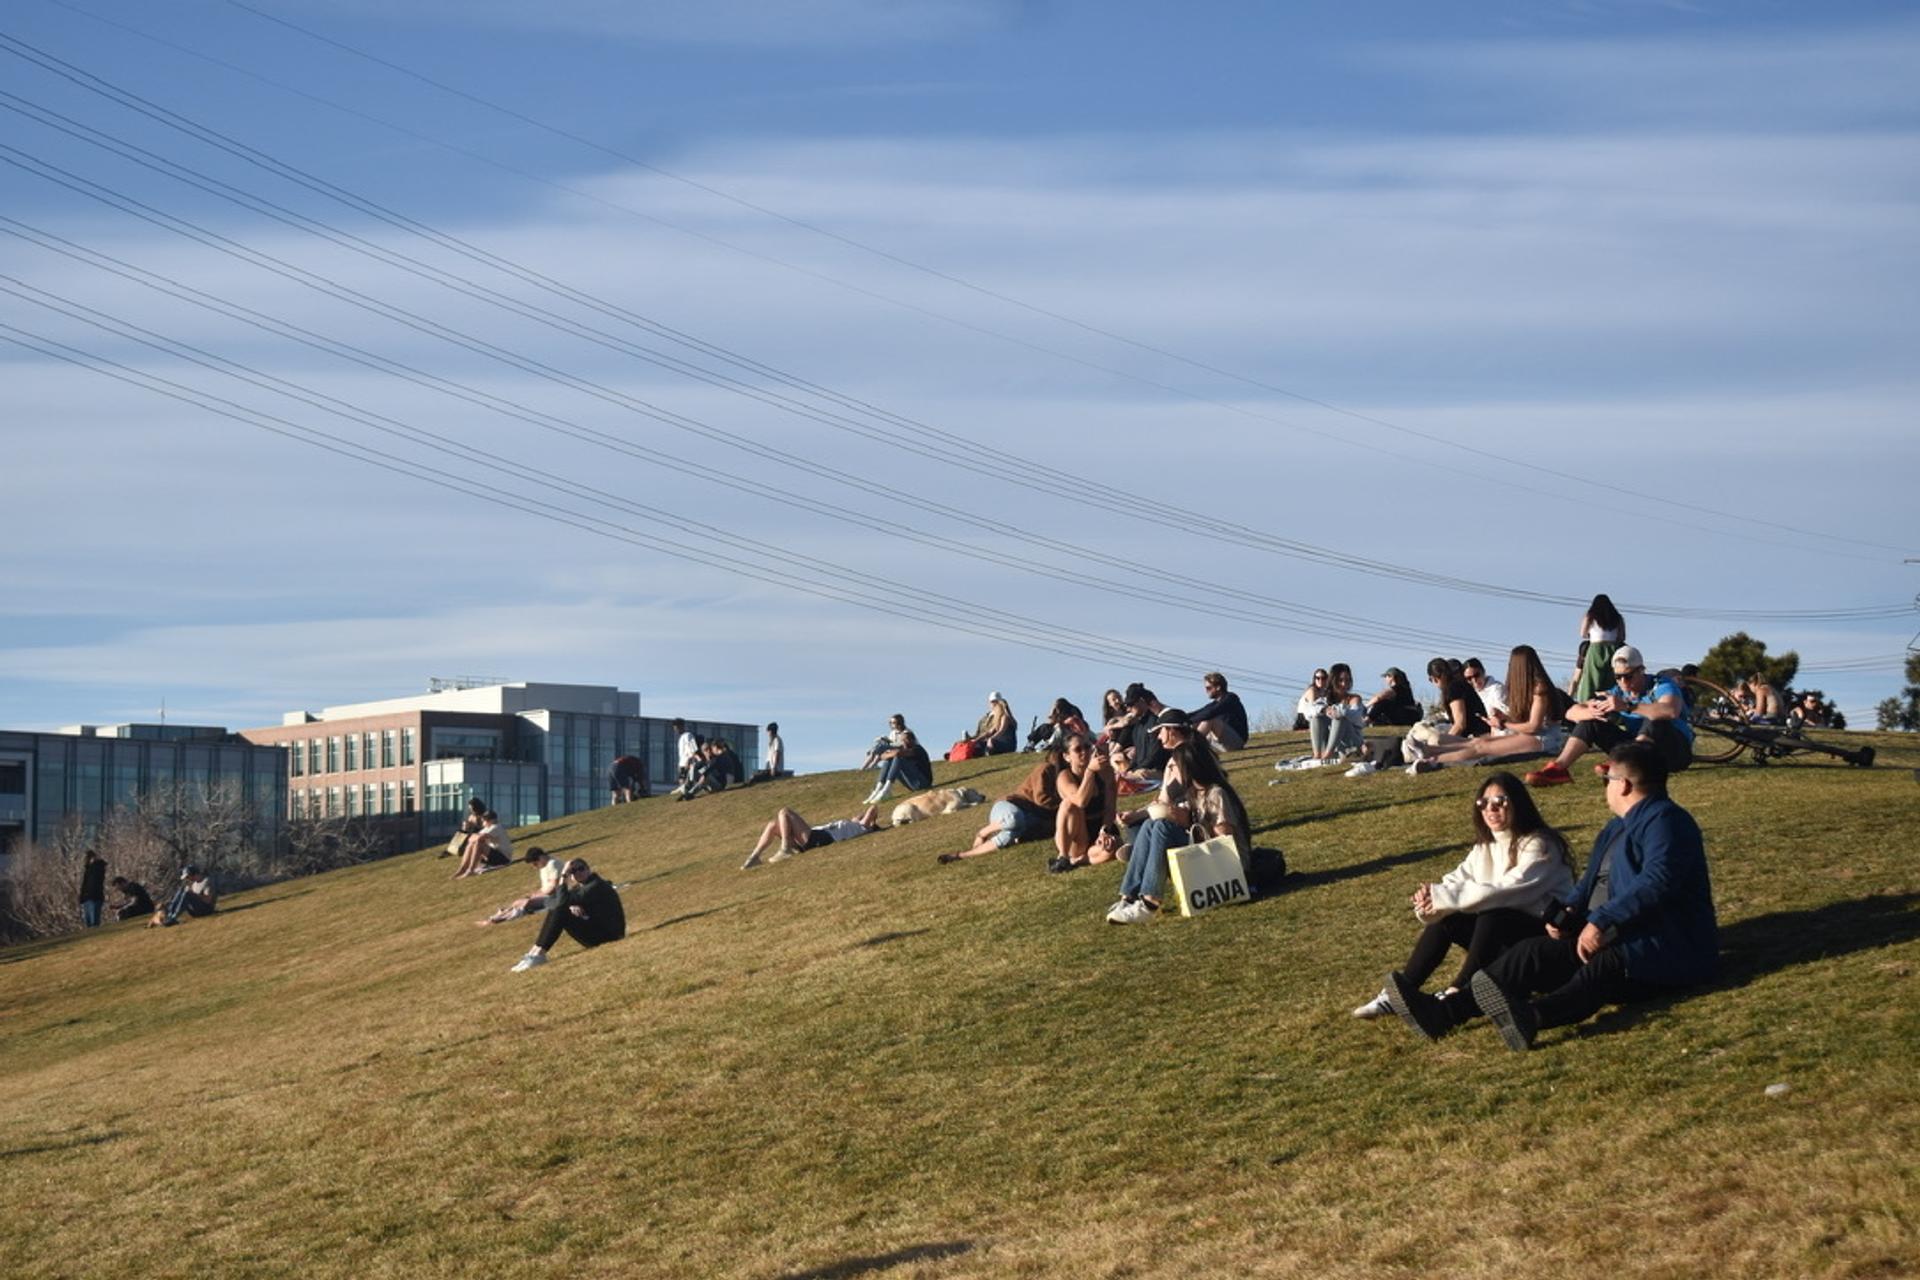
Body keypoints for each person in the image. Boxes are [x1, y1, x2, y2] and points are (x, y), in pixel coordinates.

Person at [1388, 741, 1717, 1050]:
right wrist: (1570, 913)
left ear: (1625, 785)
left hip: (1657, 950)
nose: (1606, 786)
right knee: (1530, 954)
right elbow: (1588, 882)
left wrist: (1601, 921)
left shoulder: (1668, 822)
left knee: (1604, 966)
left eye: (1608, 779)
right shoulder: (1617, 827)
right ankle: (1444, 1013)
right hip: (1612, 935)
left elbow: (1658, 882)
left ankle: (1534, 1015)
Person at [1351, 773, 1572, 1019]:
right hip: (1505, 940)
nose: (1490, 808)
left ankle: (1457, 992)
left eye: (1500, 800)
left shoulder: (1541, 845)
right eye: (1483, 803)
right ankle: (1400, 992)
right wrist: (1429, 903)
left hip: (1547, 944)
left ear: (1518, 802)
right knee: (1449, 920)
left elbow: (1507, 891)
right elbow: (1457, 880)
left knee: (1493, 914)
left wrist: (1443, 896)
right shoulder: (1485, 847)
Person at [1106, 740, 1252, 924]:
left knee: (1162, 828)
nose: (1170, 772)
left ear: (1189, 767)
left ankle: (1150, 903)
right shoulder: (1191, 793)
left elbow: (1224, 841)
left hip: (1230, 865)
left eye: (1174, 767)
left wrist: (1189, 821)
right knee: (1150, 825)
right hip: (1208, 859)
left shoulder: (1216, 793)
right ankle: (1129, 897)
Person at [1525, 645, 1692, 786]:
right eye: (1618, 677)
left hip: (1674, 751)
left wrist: (1628, 707)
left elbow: (1671, 710)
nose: (1623, 682)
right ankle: (1558, 770)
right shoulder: (1617, 691)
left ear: (1641, 670)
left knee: (1655, 720)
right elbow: (1570, 712)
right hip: (1641, 752)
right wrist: (1590, 710)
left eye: (1628, 676)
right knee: (1591, 721)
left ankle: (1622, 763)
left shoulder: (1661, 684)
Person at [1410, 646, 1570, 770]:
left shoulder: (1540, 689)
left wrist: (1505, 724)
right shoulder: (1531, 689)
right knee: (1480, 741)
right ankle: (1429, 750)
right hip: (1534, 734)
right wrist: (1504, 718)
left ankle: (1432, 760)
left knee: (1483, 747)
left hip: (1545, 740)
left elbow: (1534, 726)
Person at [937, 745, 1068, 862]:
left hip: (1031, 816)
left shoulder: (1070, 775)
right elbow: (1042, 800)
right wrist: (1064, 804)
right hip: (1011, 805)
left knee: (1014, 833)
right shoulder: (1045, 769)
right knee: (1015, 819)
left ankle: (963, 855)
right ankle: (983, 832)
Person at [510, 859, 626, 971]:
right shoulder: (580, 887)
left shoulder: (595, 885)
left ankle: (538, 954)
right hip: (599, 930)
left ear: (588, 869)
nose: (578, 872)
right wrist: (570, 905)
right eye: (574, 871)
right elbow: (553, 901)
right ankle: (534, 953)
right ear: (572, 876)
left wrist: (563, 876)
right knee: (559, 908)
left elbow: (560, 902)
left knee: (560, 909)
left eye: (581, 869)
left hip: (610, 936)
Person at [1044, 733, 1119, 874]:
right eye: (1078, 749)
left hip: (1099, 829)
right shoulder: (1064, 777)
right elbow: (1081, 801)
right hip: (1078, 834)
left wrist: (1105, 831)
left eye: (1087, 747)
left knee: (1111, 849)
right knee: (1068, 805)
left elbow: (1110, 808)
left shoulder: (1106, 772)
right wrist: (1090, 771)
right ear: (1067, 756)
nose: (1084, 752)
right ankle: (1064, 856)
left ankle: (1077, 861)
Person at [1403, 657, 1491, 764]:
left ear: (1434, 678)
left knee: (1436, 739)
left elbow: (1460, 725)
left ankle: (1428, 756)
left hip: (1476, 736)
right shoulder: (1456, 686)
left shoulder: (1454, 688)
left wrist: (1444, 743)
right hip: (1473, 734)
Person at [742, 805, 882, 869]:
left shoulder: (862, 827)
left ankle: (786, 848)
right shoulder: (851, 824)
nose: (858, 815)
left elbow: (873, 808)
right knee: (773, 824)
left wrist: (872, 821)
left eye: (861, 815)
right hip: (815, 835)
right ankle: (754, 857)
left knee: (785, 812)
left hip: (821, 838)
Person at [478, 846, 565, 925]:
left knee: (523, 904)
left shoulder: (553, 864)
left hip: (556, 896)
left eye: (535, 864)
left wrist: (535, 896)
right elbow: (546, 887)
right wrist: (534, 894)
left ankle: (496, 919)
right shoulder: (545, 865)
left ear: (540, 858)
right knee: (518, 902)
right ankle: (498, 916)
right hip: (548, 895)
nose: (535, 867)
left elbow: (554, 888)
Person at [1573, 593, 1627, 701]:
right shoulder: (1618, 617)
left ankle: (1585, 702)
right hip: (1614, 649)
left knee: (1591, 679)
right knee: (1611, 679)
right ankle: (1611, 701)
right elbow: (1622, 636)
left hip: (1596, 648)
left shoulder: (1590, 615)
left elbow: (1582, 634)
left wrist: (1591, 634)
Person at [1309, 664, 1367, 762]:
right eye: (1340, 680)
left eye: (1347, 680)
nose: (1344, 684)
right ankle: (1317, 754)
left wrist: (1337, 711)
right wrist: (1325, 710)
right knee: (1316, 718)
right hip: (1330, 745)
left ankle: (1328, 754)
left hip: (1351, 744)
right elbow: (1310, 711)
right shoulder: (1325, 700)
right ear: (1333, 681)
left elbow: (1356, 716)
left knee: (1340, 719)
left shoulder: (1354, 698)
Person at [864, 730, 934, 805]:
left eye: (906, 739)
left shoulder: (918, 749)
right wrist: (889, 755)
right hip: (913, 784)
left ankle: (886, 789)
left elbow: (898, 753)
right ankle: (878, 789)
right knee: (890, 760)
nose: (904, 742)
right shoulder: (903, 749)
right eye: (902, 740)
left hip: (923, 783)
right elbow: (883, 756)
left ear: (913, 740)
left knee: (898, 758)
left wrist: (889, 754)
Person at [1190, 672, 1249, 752]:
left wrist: (1189, 720)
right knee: (1195, 721)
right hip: (1219, 743)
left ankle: (1190, 748)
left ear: (1218, 687)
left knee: (1209, 719)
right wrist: (1179, 718)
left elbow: (1210, 713)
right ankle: (1178, 750)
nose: (1206, 691)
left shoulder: (1230, 699)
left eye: (1208, 688)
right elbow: (1198, 713)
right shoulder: (1214, 704)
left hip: (1236, 742)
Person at [454, 810, 514, 878]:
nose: (483, 822)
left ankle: (471, 870)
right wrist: (476, 837)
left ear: (490, 820)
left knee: (479, 844)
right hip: (494, 857)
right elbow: (470, 839)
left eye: (484, 820)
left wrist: (477, 837)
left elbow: (479, 838)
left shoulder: (496, 827)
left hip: (503, 859)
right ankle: (463, 869)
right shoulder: (487, 828)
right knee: (471, 844)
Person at [964, 692, 1017, 757]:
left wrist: (991, 739)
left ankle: (986, 753)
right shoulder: (996, 718)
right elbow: (989, 732)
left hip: (1007, 744)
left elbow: (1001, 731)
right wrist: (976, 740)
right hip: (998, 742)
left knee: (991, 742)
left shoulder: (1005, 717)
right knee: (980, 744)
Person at [78, 848, 107, 928]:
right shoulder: (88, 869)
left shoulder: (98, 867)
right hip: (87, 898)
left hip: (94, 897)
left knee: (94, 922)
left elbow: (95, 882)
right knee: (88, 922)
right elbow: (85, 884)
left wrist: (96, 861)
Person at [672, 718, 700, 787]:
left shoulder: (688, 735)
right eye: (675, 728)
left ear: (681, 726)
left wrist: (689, 761)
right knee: (681, 781)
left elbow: (693, 750)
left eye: (677, 728)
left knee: (685, 782)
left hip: (687, 763)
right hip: (682, 764)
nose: (676, 730)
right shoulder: (681, 738)